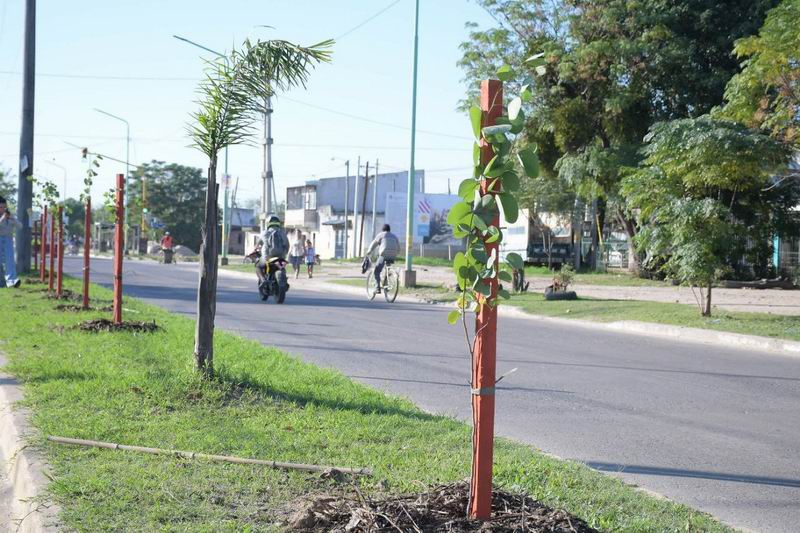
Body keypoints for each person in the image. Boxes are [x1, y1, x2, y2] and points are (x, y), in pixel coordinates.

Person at [252, 215, 289, 285]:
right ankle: (284, 281)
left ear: (268, 223)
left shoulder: (264, 232)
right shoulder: (282, 233)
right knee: (282, 267)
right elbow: (287, 245)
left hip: (267, 257)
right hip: (280, 257)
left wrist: (254, 250)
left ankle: (263, 281)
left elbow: (257, 245)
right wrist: (284, 255)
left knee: (258, 266)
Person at [364, 224, 400, 294]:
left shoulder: (381, 235)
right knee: (387, 268)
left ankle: (377, 288)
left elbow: (373, 244)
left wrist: (369, 252)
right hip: (393, 255)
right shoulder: (394, 236)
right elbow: (398, 248)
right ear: (389, 230)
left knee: (377, 271)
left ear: (383, 230)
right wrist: (396, 253)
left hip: (384, 254)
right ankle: (387, 280)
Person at [0, 196, 21, 288]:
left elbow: (20, 226)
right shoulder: (3, 218)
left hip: (8, 239)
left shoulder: (10, 216)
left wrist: (13, 219)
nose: (3, 209)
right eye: (1, 207)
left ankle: (12, 281)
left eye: (4, 207)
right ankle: (2, 282)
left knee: (10, 261)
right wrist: (3, 218)